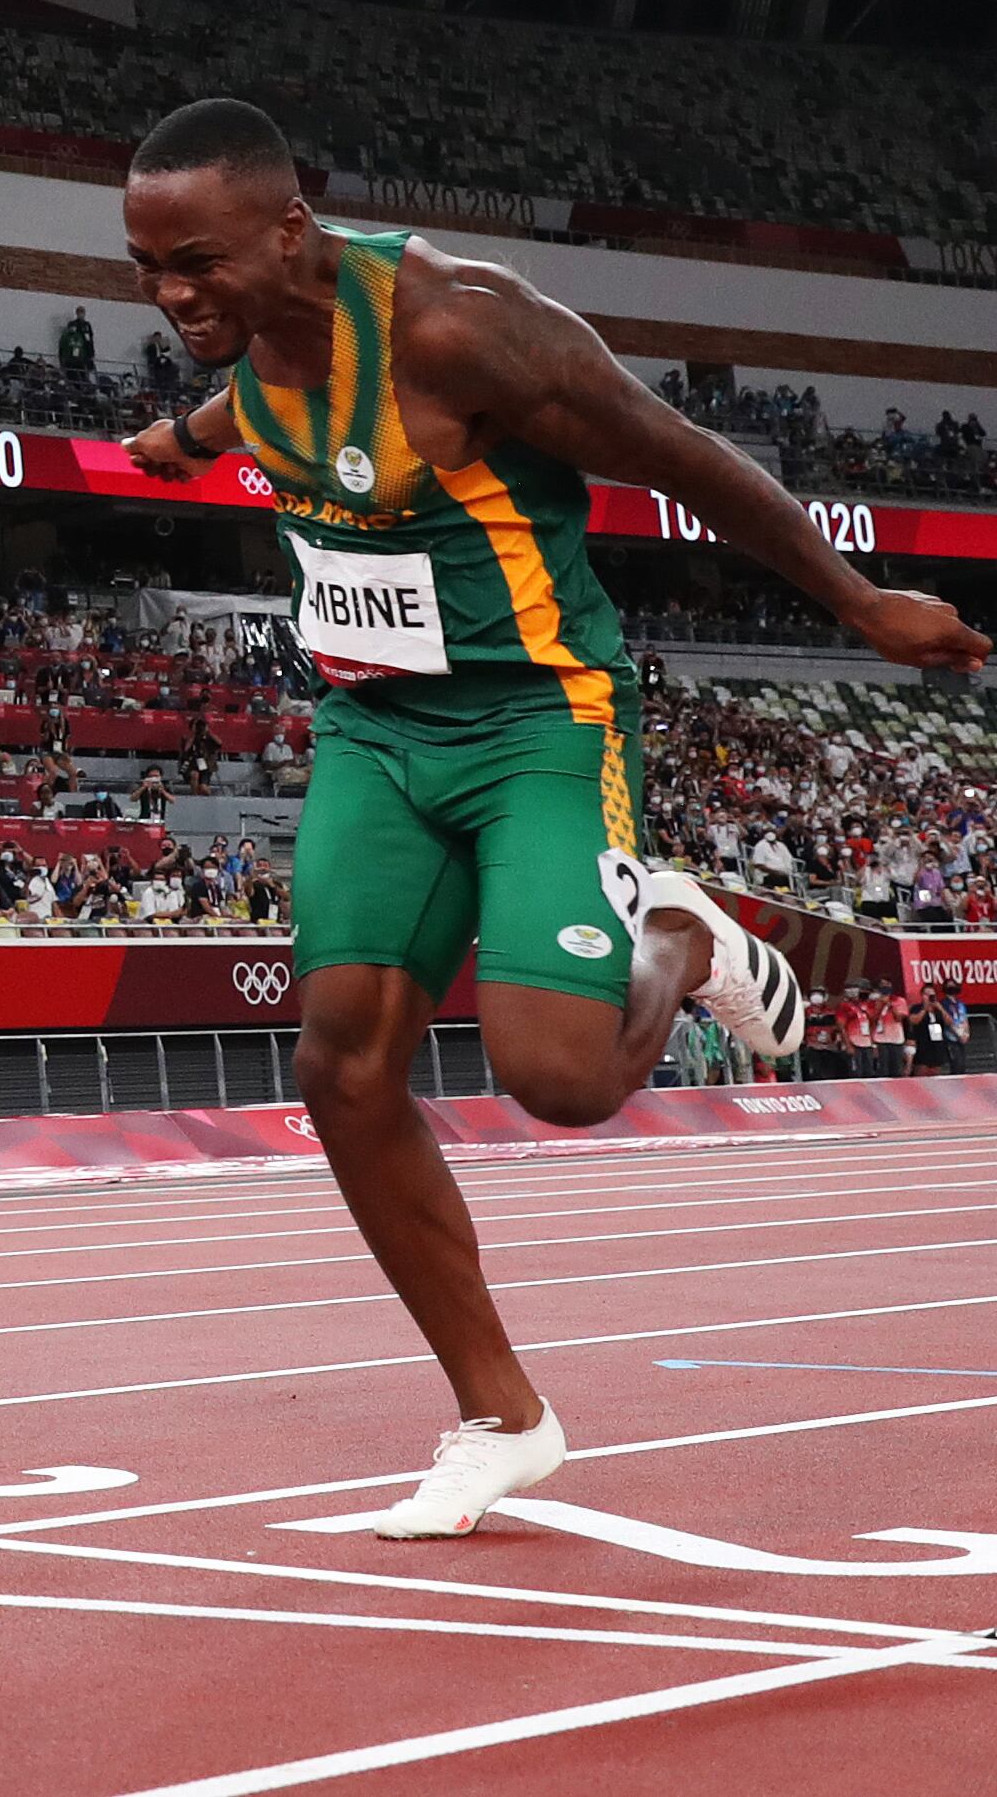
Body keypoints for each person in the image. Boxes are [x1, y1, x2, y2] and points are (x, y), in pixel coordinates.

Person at [115, 96, 983, 1541]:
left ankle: (680, 936)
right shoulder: (243, 332)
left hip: (537, 720)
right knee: (341, 1066)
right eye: (144, 265)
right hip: (374, 730)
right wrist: (180, 438)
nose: (169, 293)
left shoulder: (463, 330)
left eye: (193, 260)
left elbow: (685, 455)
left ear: (290, 226)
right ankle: (500, 1415)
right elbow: (253, 402)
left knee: (562, 1079)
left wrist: (857, 599)